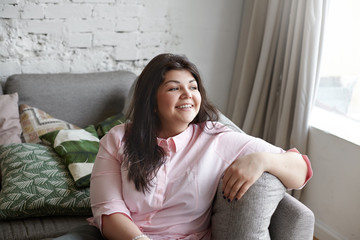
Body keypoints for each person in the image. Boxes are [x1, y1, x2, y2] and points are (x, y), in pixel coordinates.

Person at [88, 53, 312, 240]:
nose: (187, 94)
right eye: (174, 88)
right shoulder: (119, 138)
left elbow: (300, 171)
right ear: (152, 102)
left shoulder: (216, 138)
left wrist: (262, 160)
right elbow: (108, 209)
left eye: (193, 87)